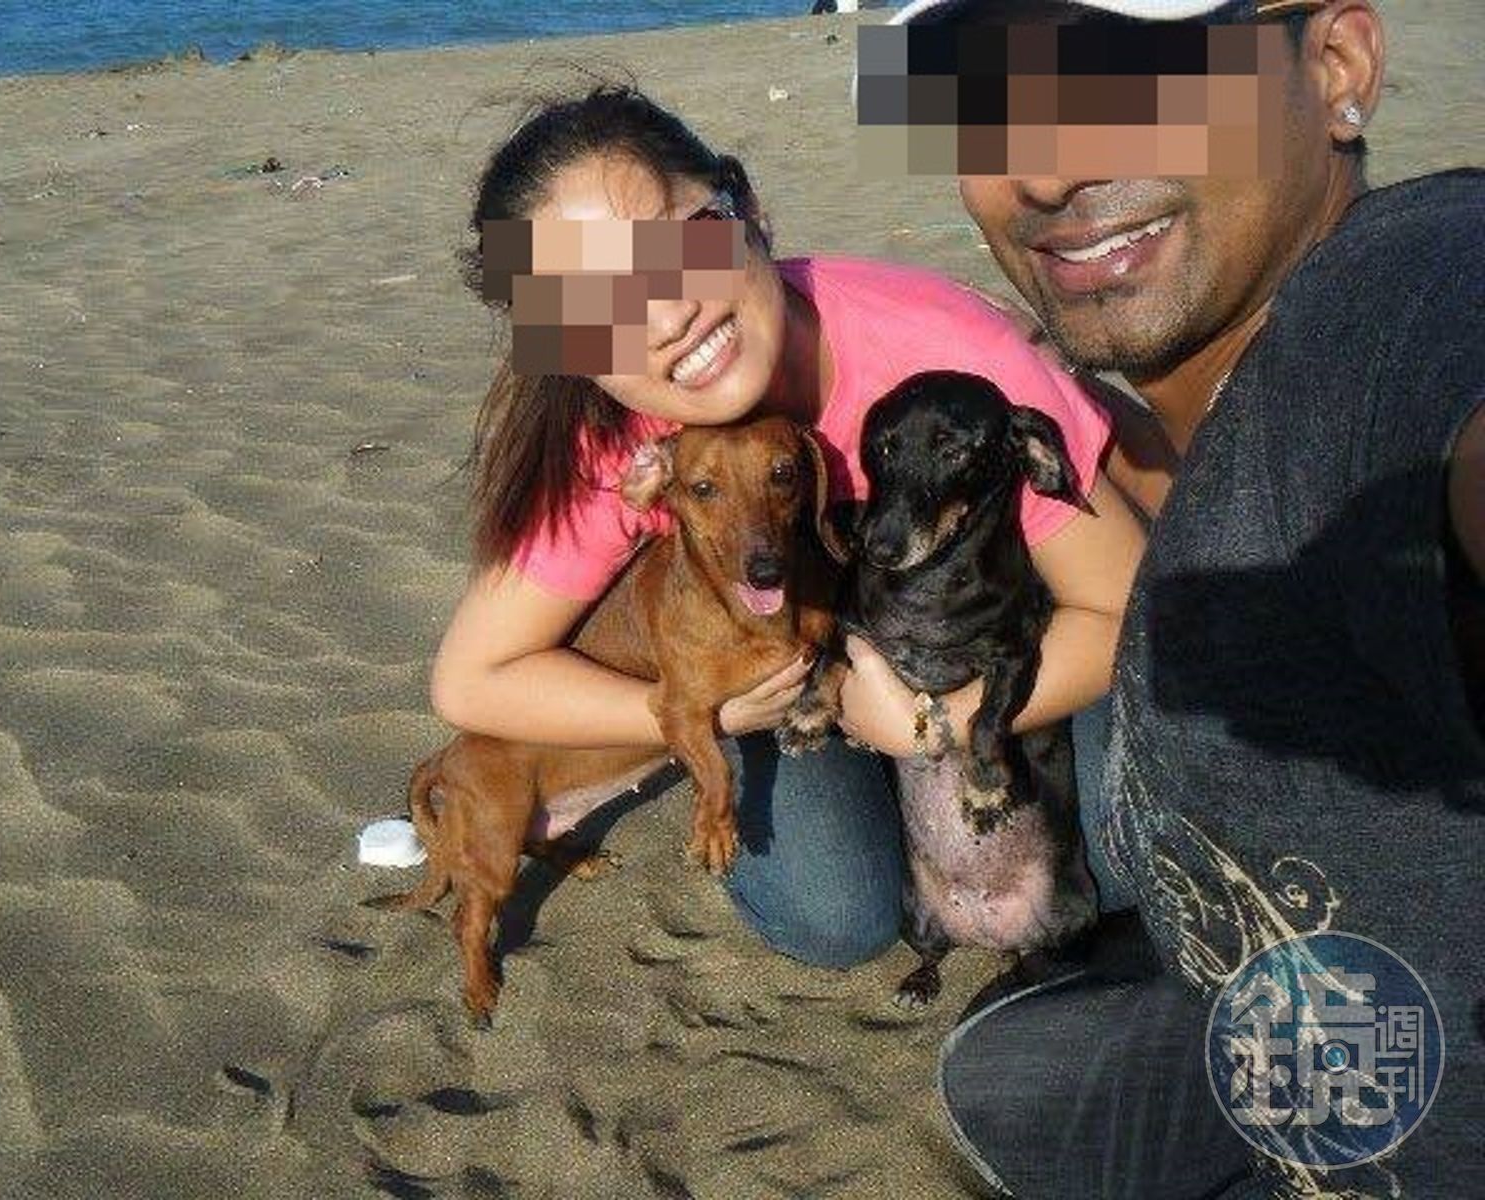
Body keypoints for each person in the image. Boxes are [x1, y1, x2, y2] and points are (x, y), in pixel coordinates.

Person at [870, 0, 1484, 1195]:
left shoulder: (1397, 310)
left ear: (1335, 65)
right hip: (1292, 1039)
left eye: (1125, 67)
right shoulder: (1187, 428)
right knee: (1006, 1078)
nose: (1045, 168)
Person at [430, 85, 1147, 971]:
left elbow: (1122, 606)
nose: (665, 319)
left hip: (980, 645)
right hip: (801, 682)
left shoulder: (945, 357)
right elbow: (472, 680)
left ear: (748, 209)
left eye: (680, 247)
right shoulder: (616, 439)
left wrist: (934, 724)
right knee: (833, 918)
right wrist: (707, 712)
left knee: (1130, 859)